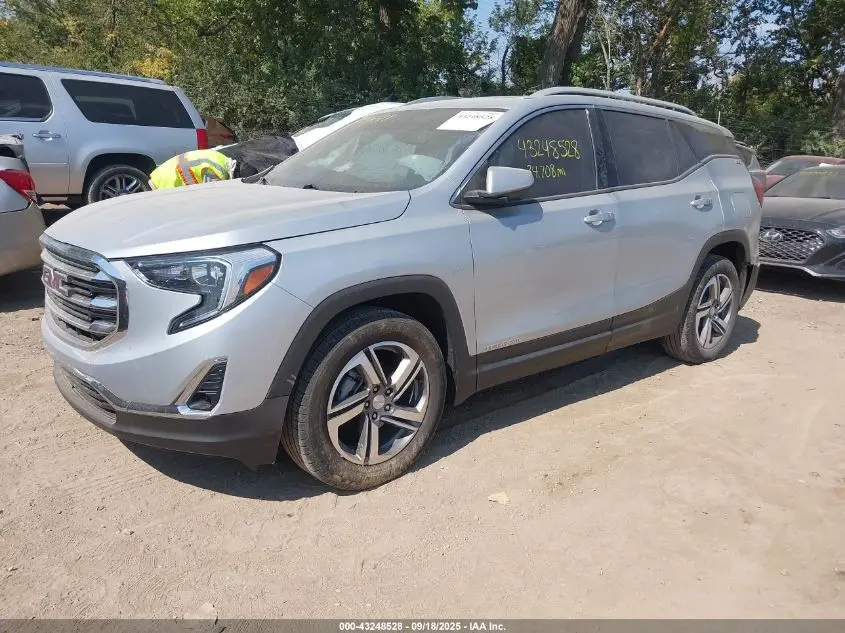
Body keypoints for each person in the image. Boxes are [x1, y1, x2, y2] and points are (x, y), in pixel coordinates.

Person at [149, 149, 237, 190]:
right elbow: (211, 195)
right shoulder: (217, 171)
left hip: (160, 175)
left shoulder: (219, 157)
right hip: (164, 184)